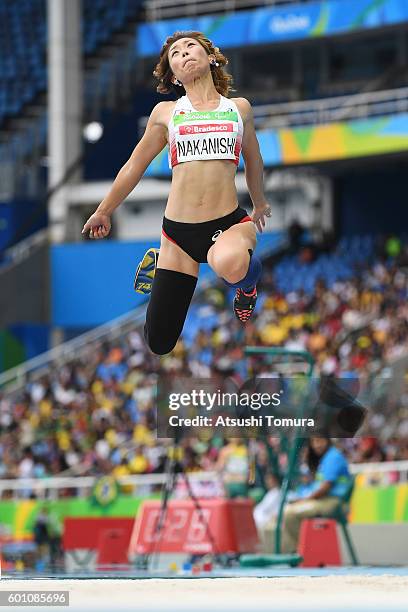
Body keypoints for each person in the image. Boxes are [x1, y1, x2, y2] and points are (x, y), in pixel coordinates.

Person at [82, 30, 271, 355]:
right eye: (176, 54)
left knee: (231, 263)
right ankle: (160, 265)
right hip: (176, 236)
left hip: (227, 225)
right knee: (159, 342)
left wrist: (260, 202)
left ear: (210, 57)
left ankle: (247, 288)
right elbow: (133, 166)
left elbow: (253, 159)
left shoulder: (238, 109)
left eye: (190, 47)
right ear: (173, 75)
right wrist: (104, 209)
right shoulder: (167, 114)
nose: (184, 53)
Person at [282, 436, 351, 553]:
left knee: (290, 513)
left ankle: (306, 551)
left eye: (320, 440)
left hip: (332, 502)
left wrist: (305, 500)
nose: (317, 445)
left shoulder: (333, 456)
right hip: (322, 501)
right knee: (287, 511)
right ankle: (302, 551)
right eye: (314, 441)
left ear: (327, 441)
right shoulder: (324, 459)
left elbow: (325, 487)